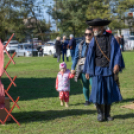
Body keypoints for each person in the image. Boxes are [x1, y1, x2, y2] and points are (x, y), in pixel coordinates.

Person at [83, 18, 125, 122]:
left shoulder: (111, 38)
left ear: (101, 27)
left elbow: (117, 53)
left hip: (108, 70)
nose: (93, 29)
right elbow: (89, 56)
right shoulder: (94, 39)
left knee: (108, 92)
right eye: (92, 28)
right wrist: (88, 70)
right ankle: (100, 114)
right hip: (97, 70)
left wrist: (116, 64)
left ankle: (107, 114)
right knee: (97, 92)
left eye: (95, 27)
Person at [71, 27, 93, 106]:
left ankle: (95, 100)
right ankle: (87, 100)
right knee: (85, 85)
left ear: (92, 35)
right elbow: (75, 58)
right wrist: (73, 68)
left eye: (89, 34)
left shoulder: (96, 44)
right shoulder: (80, 45)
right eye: (86, 34)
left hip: (94, 68)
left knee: (94, 86)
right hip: (82, 67)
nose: (87, 36)